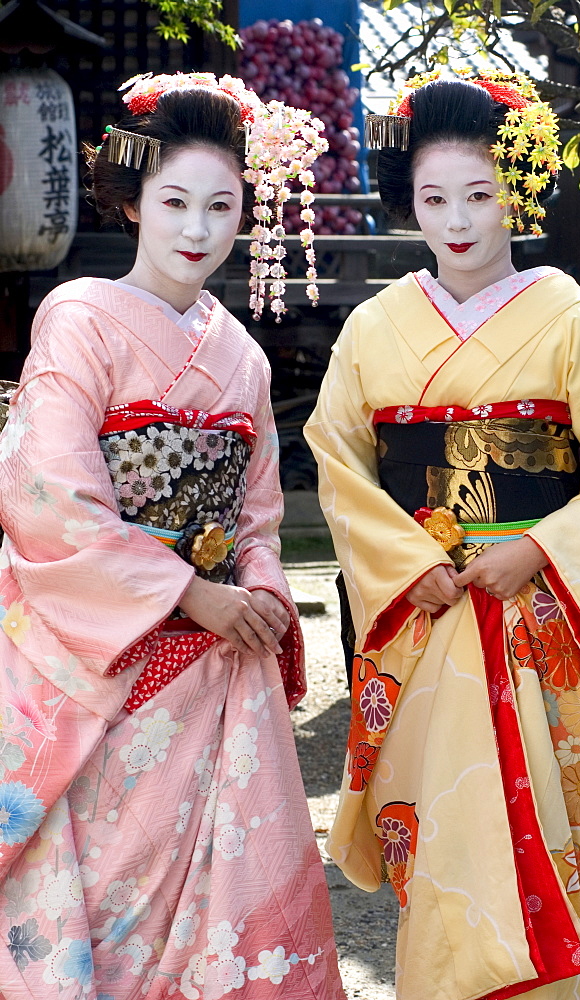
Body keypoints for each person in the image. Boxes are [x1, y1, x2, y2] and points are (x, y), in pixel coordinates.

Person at [304, 70, 580, 1000]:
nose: (458, 218)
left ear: (514, 191)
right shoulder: (374, 328)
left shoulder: (568, 317)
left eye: (479, 193)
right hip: (427, 619)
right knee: (439, 835)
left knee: (547, 830)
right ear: (408, 202)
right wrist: (411, 560)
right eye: (433, 198)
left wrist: (540, 550)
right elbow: (340, 465)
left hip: (539, 614)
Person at [0, 72, 344, 999]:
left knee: (217, 911)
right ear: (134, 201)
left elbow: (260, 513)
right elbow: (50, 496)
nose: (197, 230)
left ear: (245, 213)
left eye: (220, 207)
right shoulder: (77, 319)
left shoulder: (243, 354)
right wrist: (187, 590)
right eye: (175, 203)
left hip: (214, 666)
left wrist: (262, 592)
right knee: (110, 896)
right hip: (110, 661)